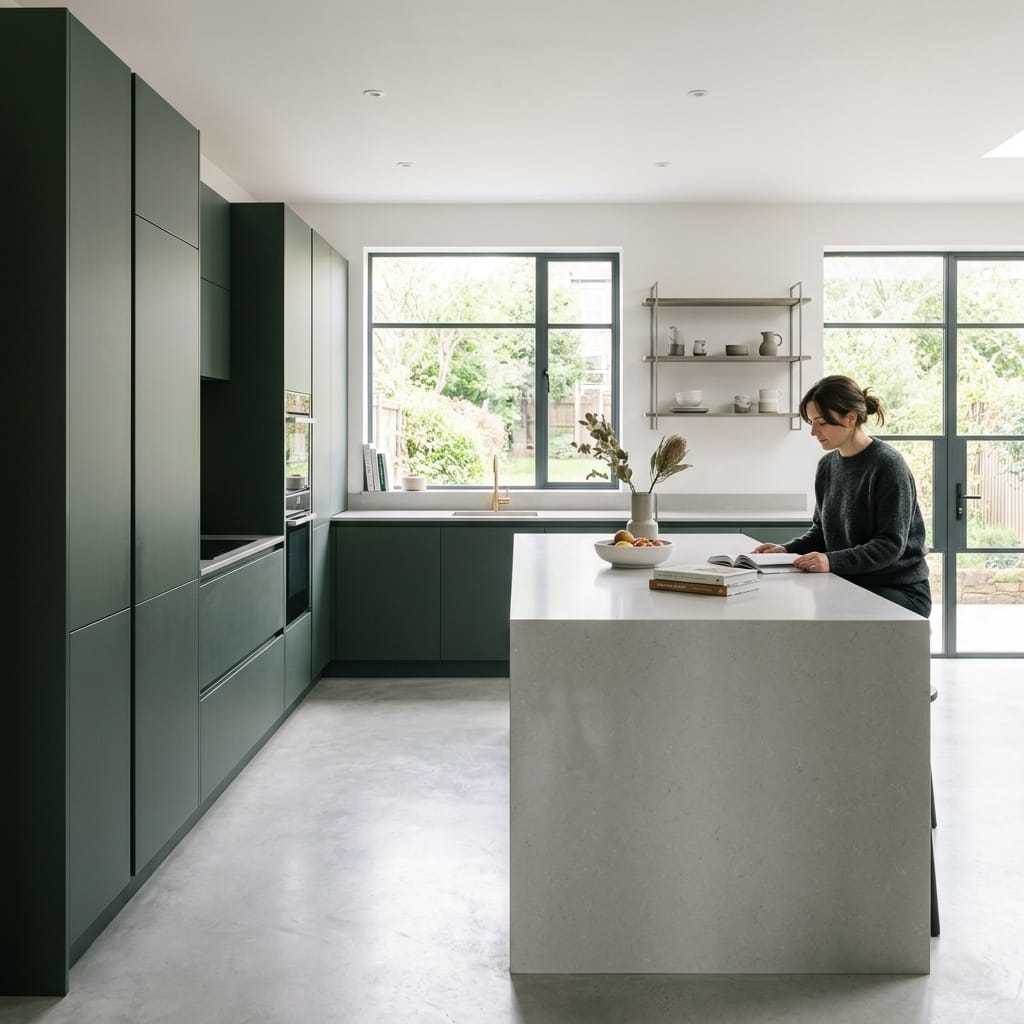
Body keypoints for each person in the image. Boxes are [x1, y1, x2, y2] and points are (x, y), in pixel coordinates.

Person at [753, 374, 932, 618]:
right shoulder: (827, 466)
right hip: (848, 582)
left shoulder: (888, 465)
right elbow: (821, 533)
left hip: (899, 590)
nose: (814, 431)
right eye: (811, 422)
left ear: (850, 418)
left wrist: (831, 562)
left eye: (822, 422)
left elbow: (890, 545)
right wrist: (786, 550)